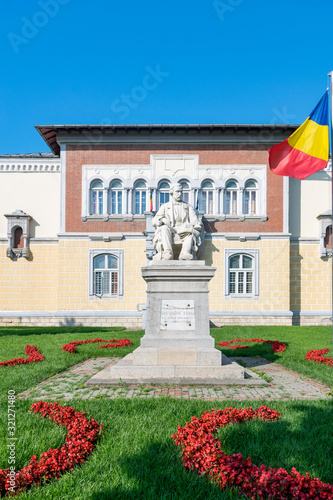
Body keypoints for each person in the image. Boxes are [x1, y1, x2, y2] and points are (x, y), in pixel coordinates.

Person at [152, 183, 203, 260]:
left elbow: (194, 219)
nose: (180, 194)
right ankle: (168, 253)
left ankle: (185, 253)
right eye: (177, 191)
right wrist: (160, 221)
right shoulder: (165, 206)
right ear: (172, 192)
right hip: (171, 228)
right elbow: (154, 220)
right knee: (164, 228)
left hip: (183, 228)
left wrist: (197, 224)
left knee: (190, 231)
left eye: (181, 192)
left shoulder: (188, 206)